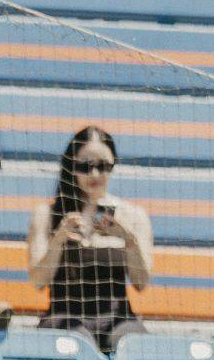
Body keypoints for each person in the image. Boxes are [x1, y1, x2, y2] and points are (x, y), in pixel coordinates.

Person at [24, 126, 151, 348]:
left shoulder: (133, 215)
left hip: (118, 318)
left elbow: (141, 284)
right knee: (78, 341)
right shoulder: (47, 214)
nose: (94, 175)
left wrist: (127, 239)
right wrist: (59, 239)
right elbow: (38, 282)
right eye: (85, 166)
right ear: (71, 167)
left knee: (131, 345)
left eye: (102, 166)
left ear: (113, 165)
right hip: (63, 316)